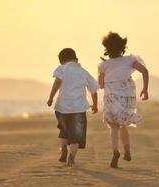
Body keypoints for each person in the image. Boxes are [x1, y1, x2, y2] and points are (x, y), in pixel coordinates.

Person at [98, 32, 149, 168]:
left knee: (113, 126)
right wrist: (145, 89)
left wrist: (106, 71)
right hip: (126, 97)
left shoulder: (104, 65)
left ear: (106, 49)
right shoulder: (130, 60)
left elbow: (101, 84)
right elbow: (144, 71)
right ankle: (127, 150)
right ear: (123, 47)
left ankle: (115, 151)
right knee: (123, 125)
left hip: (111, 98)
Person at [47, 48, 99, 166]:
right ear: (76, 59)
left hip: (62, 108)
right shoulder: (83, 72)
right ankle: (71, 157)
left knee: (63, 131)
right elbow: (94, 90)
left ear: (61, 61)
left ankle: (63, 148)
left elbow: (57, 83)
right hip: (78, 109)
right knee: (75, 135)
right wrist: (95, 105)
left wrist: (51, 97)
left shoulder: (61, 69)